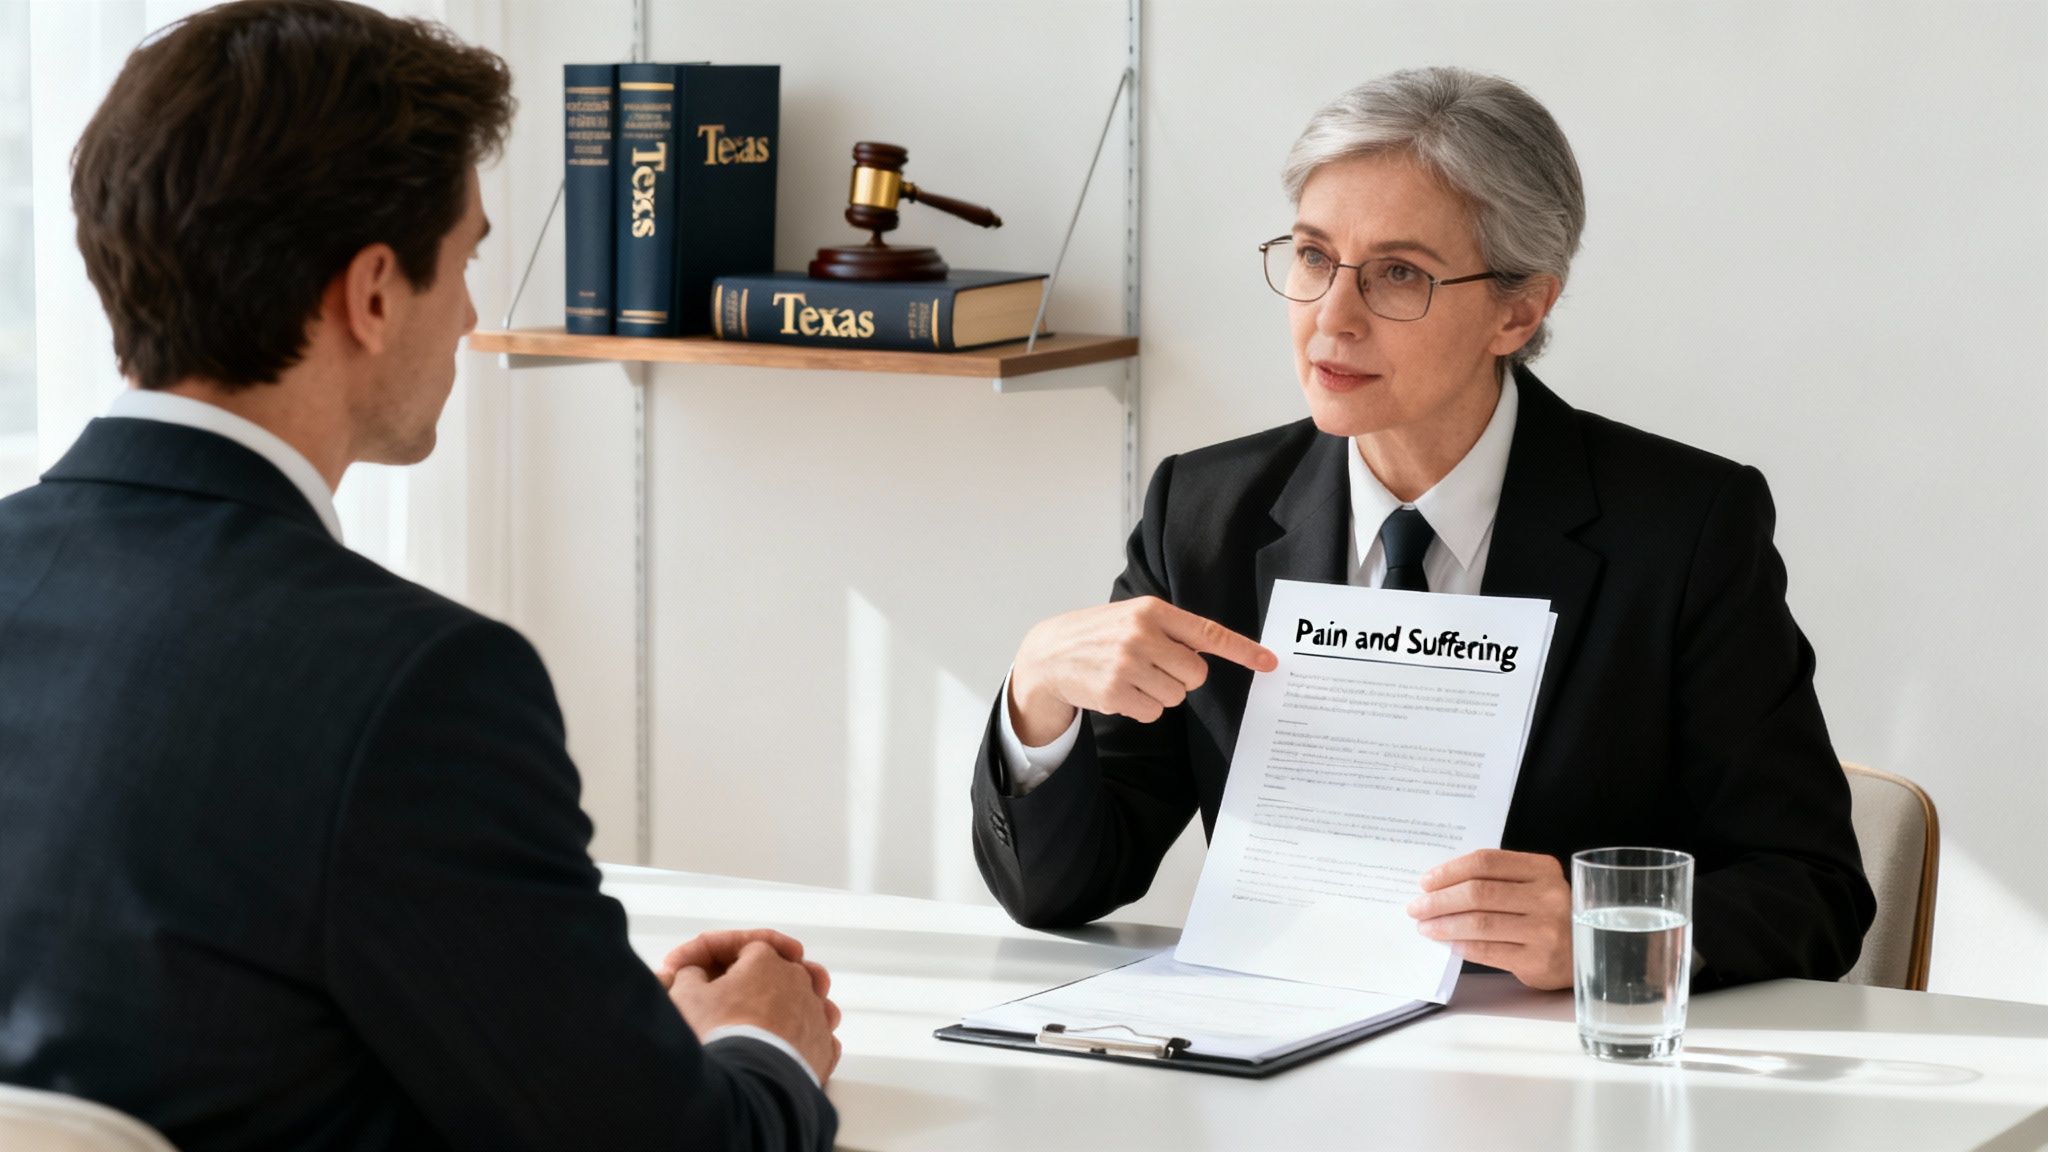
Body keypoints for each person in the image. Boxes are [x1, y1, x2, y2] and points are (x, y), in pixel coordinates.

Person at [0, 2, 838, 1148]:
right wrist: (760, 1040)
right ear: (376, 291)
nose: (471, 315)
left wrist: (583, 1024)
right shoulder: (415, 687)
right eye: (467, 259)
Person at [970, 67, 1874, 993]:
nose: (1332, 317)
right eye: (1315, 257)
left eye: (1398, 273)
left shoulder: (1684, 529)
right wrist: (1038, 695)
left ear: (1519, 310)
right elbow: (1064, 890)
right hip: (1276, 1060)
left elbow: (1816, 892)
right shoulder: (1203, 514)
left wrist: (1605, 931)